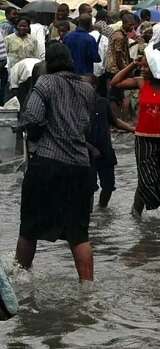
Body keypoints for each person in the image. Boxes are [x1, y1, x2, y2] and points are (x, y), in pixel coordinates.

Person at [15, 42, 97, 281]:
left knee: (29, 228)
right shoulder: (87, 89)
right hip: (80, 167)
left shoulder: (45, 82)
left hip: (48, 164)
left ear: (48, 64)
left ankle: (20, 283)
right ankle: (87, 290)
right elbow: (86, 126)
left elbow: (32, 118)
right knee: (79, 234)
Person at [111, 48, 160, 218]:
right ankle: (136, 213)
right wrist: (133, 64)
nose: (143, 69)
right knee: (146, 178)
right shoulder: (141, 82)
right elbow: (115, 82)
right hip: (143, 138)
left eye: (146, 67)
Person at [83, 74, 133, 208]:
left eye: (85, 85)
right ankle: (89, 216)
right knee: (89, 188)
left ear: (94, 87)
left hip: (105, 150)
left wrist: (132, 129)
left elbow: (115, 121)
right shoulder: (77, 104)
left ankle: (102, 210)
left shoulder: (103, 103)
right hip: (86, 152)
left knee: (109, 186)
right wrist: (91, 149)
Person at [106, 14, 135, 123]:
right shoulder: (119, 36)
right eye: (130, 25)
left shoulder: (122, 34)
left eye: (133, 25)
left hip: (118, 69)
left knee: (118, 95)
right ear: (124, 23)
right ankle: (118, 120)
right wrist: (126, 71)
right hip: (116, 70)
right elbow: (118, 57)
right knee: (115, 96)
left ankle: (119, 120)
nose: (132, 27)